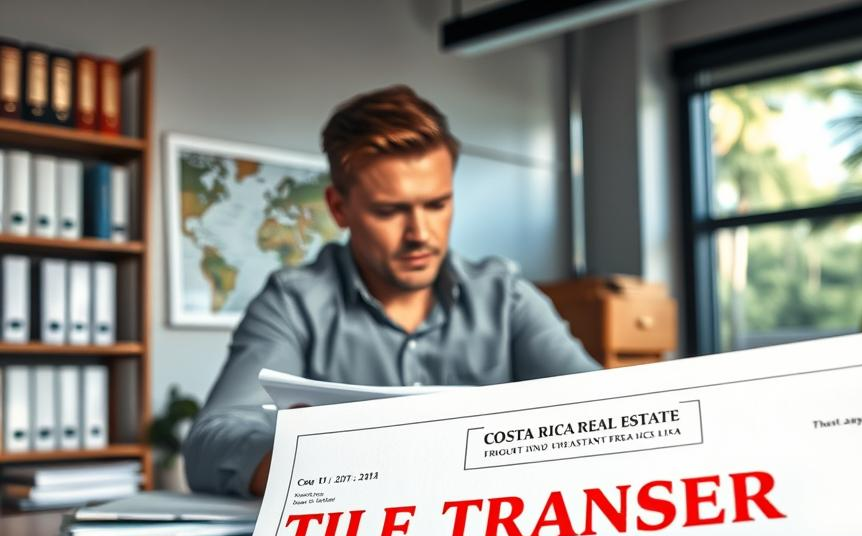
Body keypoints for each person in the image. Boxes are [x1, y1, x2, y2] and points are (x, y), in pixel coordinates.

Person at [183, 85, 600, 497]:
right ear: (339, 209)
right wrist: (325, 466)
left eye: (437, 205)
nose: (420, 234)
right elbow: (210, 443)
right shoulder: (293, 303)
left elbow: (603, 412)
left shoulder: (506, 297)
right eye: (389, 211)